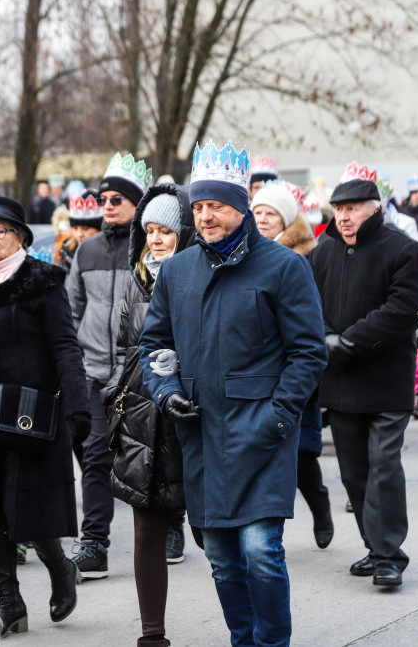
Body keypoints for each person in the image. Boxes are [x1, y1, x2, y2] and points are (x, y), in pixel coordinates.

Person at [139, 141, 326, 646]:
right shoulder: (177, 272)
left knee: (261, 550)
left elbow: (309, 353)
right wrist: (166, 391)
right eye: (198, 207)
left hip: (263, 433)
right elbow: (154, 345)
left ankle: (270, 643)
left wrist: (279, 417)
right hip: (201, 433)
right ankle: (244, 640)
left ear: (241, 207)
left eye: (216, 206)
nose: (206, 216)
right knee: (221, 556)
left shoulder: (285, 268)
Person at [0, 196, 89, 637]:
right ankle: (9, 601)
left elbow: (66, 348)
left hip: (34, 414)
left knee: (27, 507)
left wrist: (77, 407)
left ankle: (59, 566)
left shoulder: (44, 282)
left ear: (20, 238)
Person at [309, 161, 418, 588]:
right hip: (340, 382)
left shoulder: (403, 249)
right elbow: (308, 304)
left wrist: (348, 344)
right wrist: (324, 339)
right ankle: (375, 546)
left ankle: (389, 554)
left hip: (385, 380)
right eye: (339, 208)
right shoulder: (323, 249)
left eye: (354, 207)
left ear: (375, 209)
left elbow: (402, 309)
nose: (344, 215)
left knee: (383, 468)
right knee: (353, 472)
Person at [105, 183, 192, 647]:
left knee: (214, 536)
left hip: (187, 417)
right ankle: (152, 635)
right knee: (145, 534)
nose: (156, 239)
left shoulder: (199, 276)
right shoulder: (136, 279)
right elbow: (124, 348)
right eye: (150, 231)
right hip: (142, 417)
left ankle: (248, 627)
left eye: (167, 232)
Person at [67, 152, 152, 578]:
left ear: (138, 203)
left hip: (140, 376)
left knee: (150, 459)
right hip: (94, 373)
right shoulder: (87, 252)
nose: (108, 204)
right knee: (95, 457)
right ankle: (95, 544)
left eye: (118, 198)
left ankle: (171, 525)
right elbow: (71, 310)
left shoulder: (153, 247)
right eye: (104, 198)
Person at [250, 181, 334, 549]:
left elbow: (314, 325)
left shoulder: (304, 256)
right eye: (257, 212)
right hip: (255, 373)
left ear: (286, 218)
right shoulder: (243, 254)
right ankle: (263, 539)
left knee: (301, 457)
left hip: (295, 373)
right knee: (259, 460)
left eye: (271, 213)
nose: (263, 219)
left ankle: (321, 506)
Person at [57, 190, 103, 272]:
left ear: (100, 229)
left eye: (85, 229)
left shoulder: (109, 255)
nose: (79, 234)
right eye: (75, 228)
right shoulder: (65, 253)